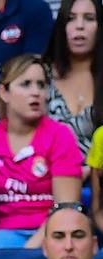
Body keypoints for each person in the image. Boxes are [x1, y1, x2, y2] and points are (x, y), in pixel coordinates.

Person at [0, 54, 85, 248]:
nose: (36, 92)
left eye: (41, 85)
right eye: (26, 84)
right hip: (4, 234)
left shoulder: (60, 135)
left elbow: (66, 209)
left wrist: (27, 252)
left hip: (53, 233)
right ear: (4, 93)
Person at [43, 0, 103, 158]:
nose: (80, 26)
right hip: (44, 176)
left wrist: (90, 170)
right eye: (70, 18)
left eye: (89, 18)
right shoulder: (40, 76)